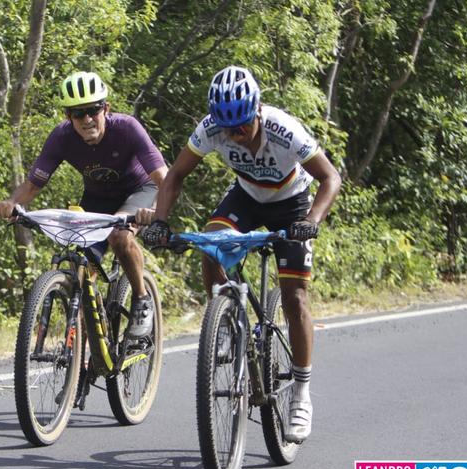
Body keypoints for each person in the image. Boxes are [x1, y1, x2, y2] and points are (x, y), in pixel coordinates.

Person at [138, 65, 341, 442]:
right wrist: (161, 222)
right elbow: (176, 175)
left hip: (292, 204)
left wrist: (312, 220)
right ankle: (226, 320)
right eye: (228, 128)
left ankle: (300, 394)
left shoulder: (284, 129)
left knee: (295, 297)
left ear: (257, 111)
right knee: (212, 245)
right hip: (247, 198)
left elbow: (331, 177)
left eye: (243, 126)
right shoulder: (211, 128)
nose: (236, 135)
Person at [0, 71, 168, 338]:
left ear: (105, 109)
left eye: (93, 111)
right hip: (97, 199)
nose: (87, 120)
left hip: (140, 191)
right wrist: (11, 203)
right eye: (78, 113)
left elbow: (163, 178)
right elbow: (32, 186)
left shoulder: (127, 128)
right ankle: (88, 344)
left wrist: (158, 212)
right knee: (80, 269)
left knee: (119, 236)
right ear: (68, 117)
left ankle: (142, 300)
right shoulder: (62, 137)